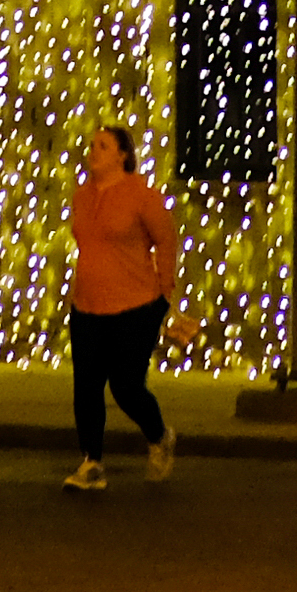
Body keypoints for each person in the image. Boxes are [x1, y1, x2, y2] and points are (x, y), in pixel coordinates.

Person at [59, 123, 178, 492]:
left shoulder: (141, 194)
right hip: (88, 305)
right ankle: (92, 461)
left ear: (122, 156)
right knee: (87, 386)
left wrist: (165, 294)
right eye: (92, 145)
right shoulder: (82, 195)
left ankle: (159, 436)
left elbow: (166, 239)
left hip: (135, 304)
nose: (93, 151)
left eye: (103, 146)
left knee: (126, 387)